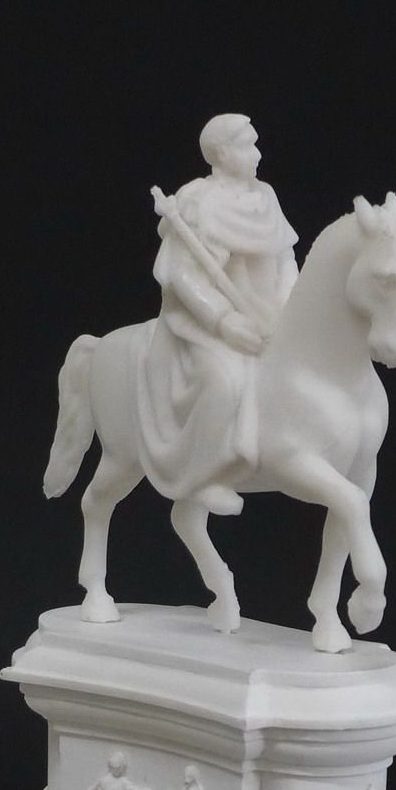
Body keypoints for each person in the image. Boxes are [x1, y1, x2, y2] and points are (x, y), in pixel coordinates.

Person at [139, 114, 298, 513]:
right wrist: (224, 321)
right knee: (224, 382)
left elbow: (285, 258)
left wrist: (288, 305)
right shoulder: (198, 201)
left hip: (269, 319)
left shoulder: (266, 197)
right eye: (248, 146)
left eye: (256, 144)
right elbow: (184, 276)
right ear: (222, 154)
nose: (257, 154)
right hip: (206, 323)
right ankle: (204, 474)